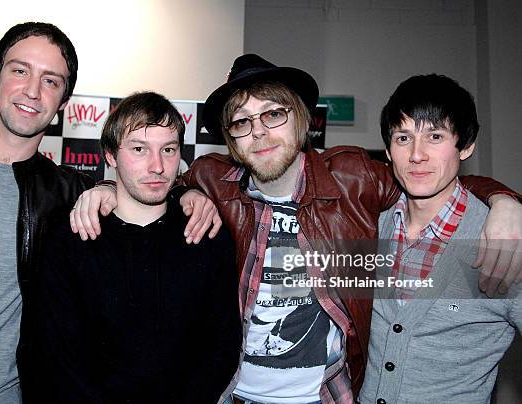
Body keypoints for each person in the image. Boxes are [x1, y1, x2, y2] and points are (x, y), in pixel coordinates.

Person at [71, 54, 522, 403]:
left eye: (274, 115)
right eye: (242, 122)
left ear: (302, 120)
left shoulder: (355, 180)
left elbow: (427, 177)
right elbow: (152, 184)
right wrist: (107, 187)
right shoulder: (211, 181)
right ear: (229, 137)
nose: (259, 133)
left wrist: (504, 201)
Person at [0, 22, 218, 403]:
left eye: (51, 81)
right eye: (20, 70)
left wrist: (188, 195)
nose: (33, 91)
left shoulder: (70, 191)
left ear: (64, 103)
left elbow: (139, 191)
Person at [32, 91, 241, 403]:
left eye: (168, 150)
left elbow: (222, 345)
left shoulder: (206, 232)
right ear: (111, 156)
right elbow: (56, 355)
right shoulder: (70, 238)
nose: (157, 166)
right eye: (139, 149)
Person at [359, 74, 521, 404]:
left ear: (467, 145)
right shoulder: (369, 227)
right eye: (403, 138)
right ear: (388, 151)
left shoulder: (504, 243)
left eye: (435, 136)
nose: (416, 155)